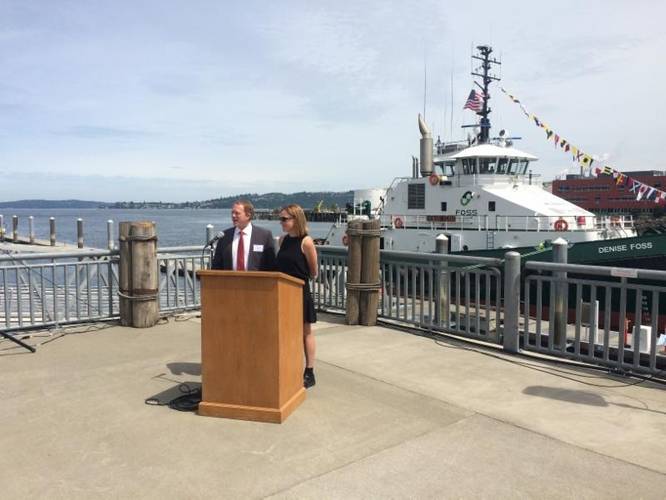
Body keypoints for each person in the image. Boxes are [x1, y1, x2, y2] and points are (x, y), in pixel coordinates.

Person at [276, 204, 318, 388]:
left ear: (296, 219)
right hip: (282, 293)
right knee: (286, 332)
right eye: (281, 219)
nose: (281, 222)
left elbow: (313, 270)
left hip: (299, 292)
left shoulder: (306, 241)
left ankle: (309, 371)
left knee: (305, 332)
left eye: (285, 219)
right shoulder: (282, 240)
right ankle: (288, 367)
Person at [211, 200, 276, 271]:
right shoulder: (224, 236)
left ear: (248, 215)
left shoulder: (264, 235)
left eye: (237, 213)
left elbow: (271, 266)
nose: (233, 216)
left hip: (256, 281)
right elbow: (216, 266)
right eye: (232, 213)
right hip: (230, 281)